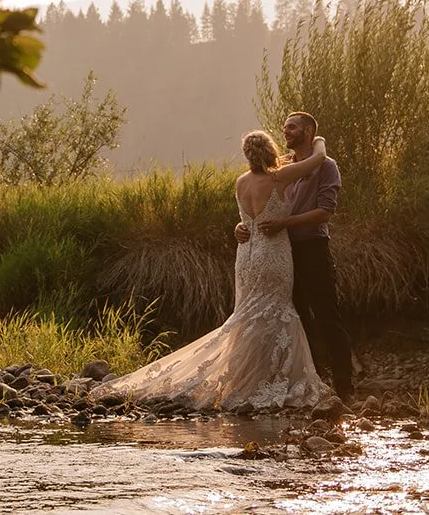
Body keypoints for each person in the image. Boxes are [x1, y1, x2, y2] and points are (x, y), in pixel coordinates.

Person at [90, 131, 331, 411]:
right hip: (272, 254)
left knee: (247, 316)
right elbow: (319, 158)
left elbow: (246, 219)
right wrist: (318, 138)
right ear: (269, 150)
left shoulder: (241, 182)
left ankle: (247, 379)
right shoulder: (279, 178)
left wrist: (238, 227)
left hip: (246, 256)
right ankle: (266, 381)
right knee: (275, 312)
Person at [236, 111, 353, 400]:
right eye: (284, 127)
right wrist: (241, 226)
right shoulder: (282, 168)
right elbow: (257, 209)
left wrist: (283, 224)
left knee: (327, 316)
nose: (285, 131)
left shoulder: (326, 166)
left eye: (292, 127)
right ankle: (311, 382)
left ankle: (345, 388)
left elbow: (325, 212)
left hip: (312, 248)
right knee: (297, 320)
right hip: (282, 254)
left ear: (309, 132)